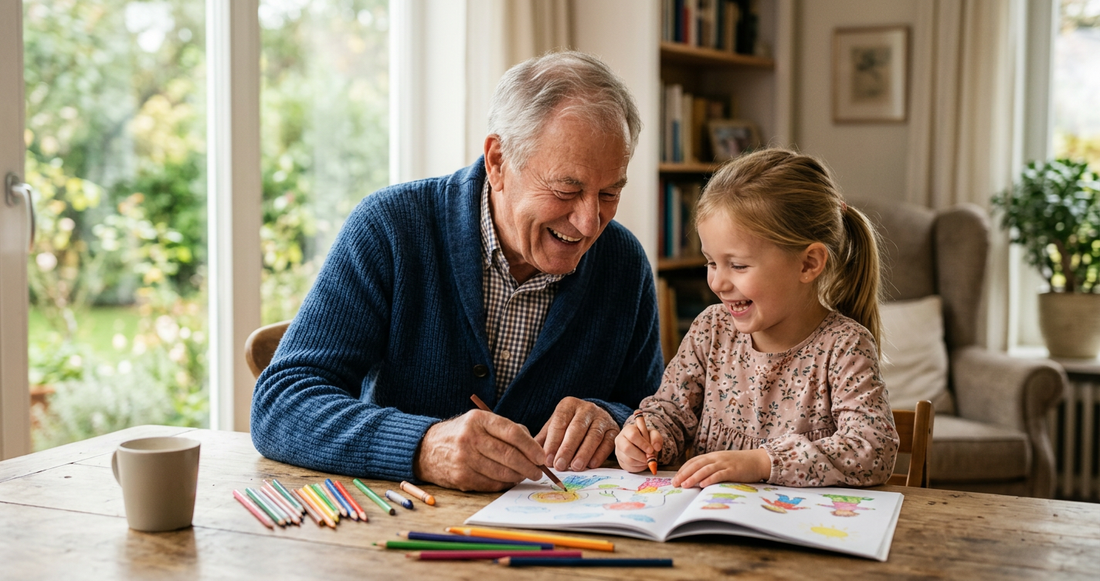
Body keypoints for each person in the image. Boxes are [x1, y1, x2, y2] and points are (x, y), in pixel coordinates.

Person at [251, 51, 663, 492]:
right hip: (403, 533)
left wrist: (613, 419)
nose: (588, 223)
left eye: (608, 193)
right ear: (498, 161)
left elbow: (659, 413)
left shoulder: (624, 263)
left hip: (562, 544)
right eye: (567, 189)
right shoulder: (391, 228)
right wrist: (423, 447)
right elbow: (282, 402)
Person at [615, 148, 899, 488]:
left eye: (737, 265)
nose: (718, 282)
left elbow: (872, 449)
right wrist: (644, 436)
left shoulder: (844, 347)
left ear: (808, 264)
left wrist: (762, 462)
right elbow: (670, 413)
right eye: (711, 263)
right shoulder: (711, 330)